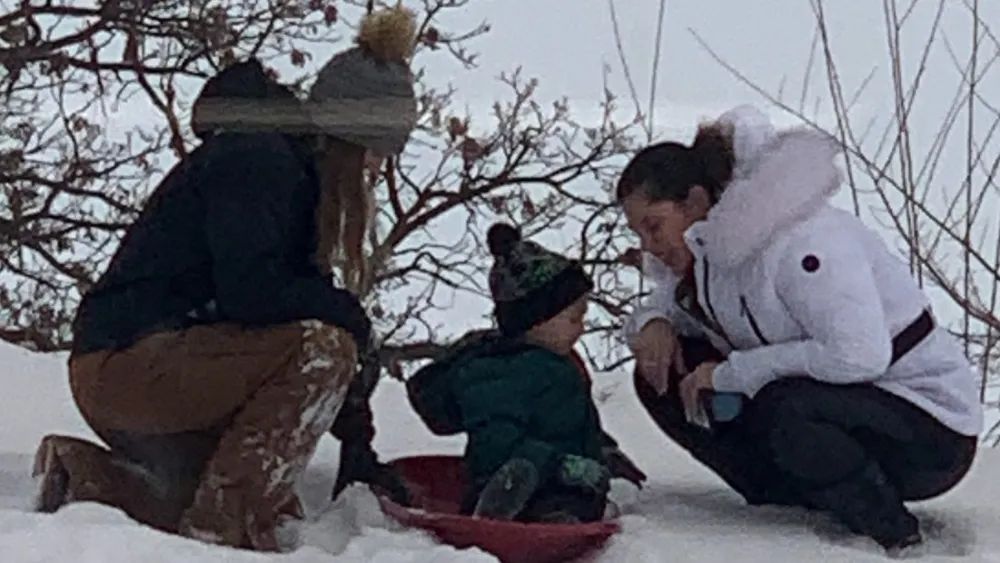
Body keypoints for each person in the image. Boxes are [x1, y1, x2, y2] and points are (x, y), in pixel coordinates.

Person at [30, 5, 419, 551]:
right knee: (323, 350)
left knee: (216, 479)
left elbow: (287, 300)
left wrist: (358, 441)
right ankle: (223, 536)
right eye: (377, 153)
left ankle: (88, 479)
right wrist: (349, 321)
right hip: (129, 365)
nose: (377, 170)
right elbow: (252, 295)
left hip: (138, 367)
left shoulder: (291, 176)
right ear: (350, 136)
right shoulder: (259, 163)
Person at [615, 105, 982, 555]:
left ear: (694, 202)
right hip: (835, 408)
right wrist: (652, 324)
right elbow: (672, 301)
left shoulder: (806, 244)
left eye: (654, 227)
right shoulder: (714, 254)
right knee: (663, 375)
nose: (648, 247)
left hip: (928, 431)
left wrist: (733, 374)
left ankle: (891, 531)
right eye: (639, 234)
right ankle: (782, 509)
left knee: (784, 406)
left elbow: (859, 355)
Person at [406, 223, 646, 523]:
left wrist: (602, 451)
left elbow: (572, 421)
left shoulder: (559, 364)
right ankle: (510, 511)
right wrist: (556, 465)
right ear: (537, 320)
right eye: (574, 318)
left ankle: (556, 513)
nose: (582, 327)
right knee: (561, 501)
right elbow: (495, 445)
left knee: (581, 498)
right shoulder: (501, 373)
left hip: (561, 479)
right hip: (514, 480)